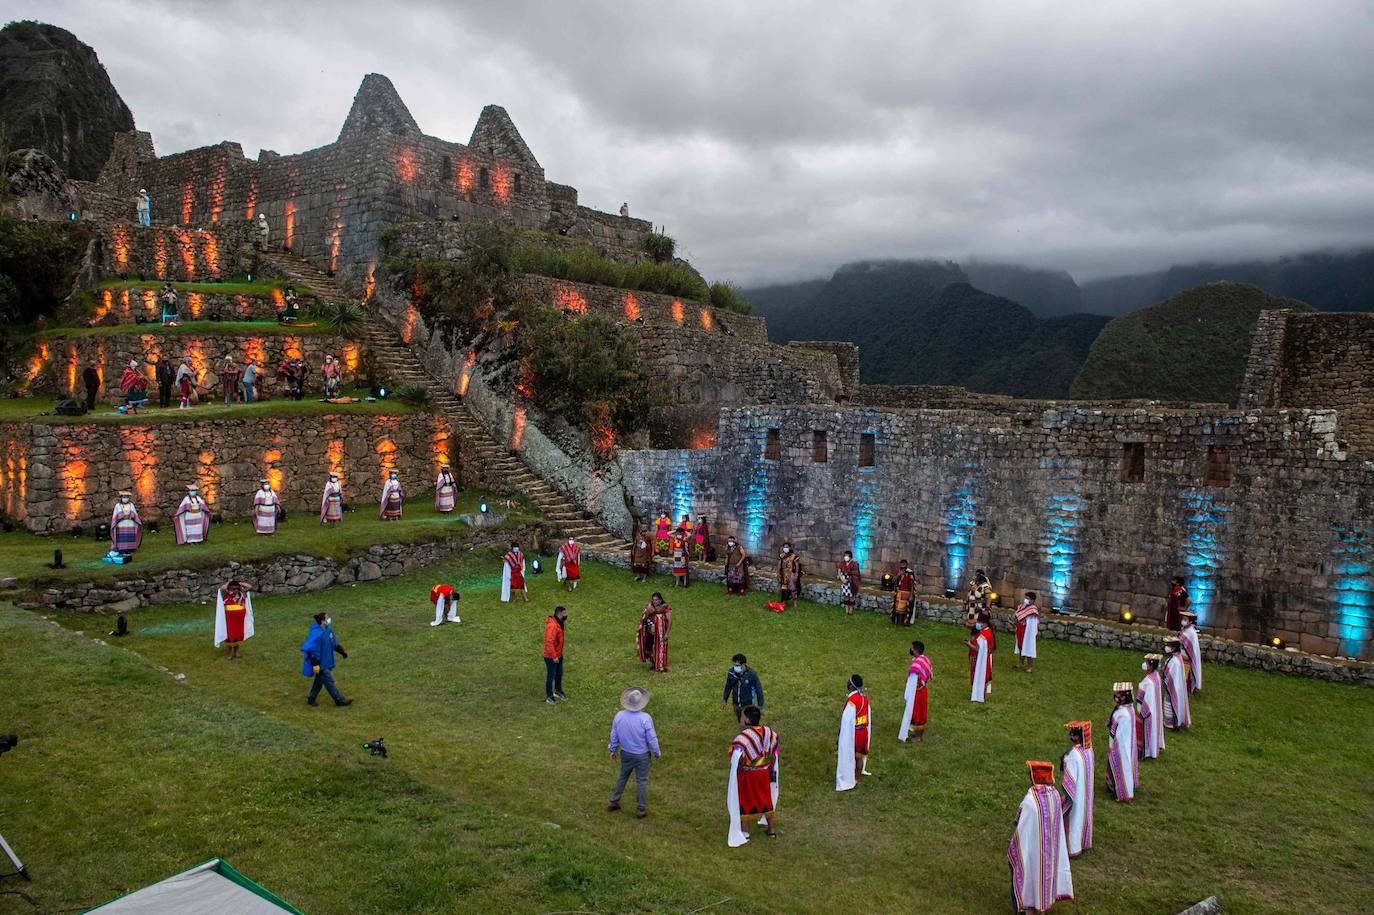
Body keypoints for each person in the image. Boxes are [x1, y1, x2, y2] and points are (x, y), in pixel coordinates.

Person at [1009, 761, 1074, 914]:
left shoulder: (1031, 800)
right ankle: (1041, 906)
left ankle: (1029, 907)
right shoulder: (1055, 796)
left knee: (1028, 872)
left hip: (1033, 848)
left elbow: (1020, 823)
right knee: (1043, 876)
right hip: (1049, 849)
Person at [727, 705, 779, 846]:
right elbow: (775, 752)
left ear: (748, 720)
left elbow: (733, 755)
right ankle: (771, 830)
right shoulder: (769, 733)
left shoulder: (742, 738)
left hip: (747, 776)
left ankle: (745, 832)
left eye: (743, 717)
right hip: (764, 773)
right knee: (766, 799)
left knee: (744, 802)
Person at [607, 686, 660, 818]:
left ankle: (614, 801)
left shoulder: (619, 716)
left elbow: (614, 734)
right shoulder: (645, 718)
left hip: (626, 753)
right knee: (642, 781)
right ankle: (641, 810)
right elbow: (652, 738)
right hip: (642, 756)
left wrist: (613, 749)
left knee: (622, 776)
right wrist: (657, 752)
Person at [300, 611, 351, 706]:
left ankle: (311, 698)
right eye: (327, 618)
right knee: (329, 681)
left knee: (319, 681)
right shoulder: (316, 633)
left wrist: (342, 651)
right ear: (323, 621)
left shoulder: (328, 630)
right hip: (320, 664)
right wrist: (315, 663)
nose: (329, 619)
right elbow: (309, 649)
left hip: (327, 661)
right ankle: (339, 700)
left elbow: (334, 643)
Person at [1061, 722, 1094, 858]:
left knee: (1073, 818)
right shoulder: (1089, 751)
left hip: (1076, 794)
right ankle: (1083, 842)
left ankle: (1072, 847)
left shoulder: (1073, 755)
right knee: (1083, 815)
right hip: (1085, 793)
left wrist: (1065, 797)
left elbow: (1070, 779)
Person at [835, 674, 871, 790]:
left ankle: (848, 778)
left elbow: (847, 721)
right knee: (859, 757)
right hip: (863, 732)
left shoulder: (852, 700)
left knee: (848, 754)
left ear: (851, 686)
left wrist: (842, 736)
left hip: (854, 733)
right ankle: (857, 778)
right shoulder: (864, 698)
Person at [1106, 683, 1139, 802]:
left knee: (1119, 767)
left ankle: (1119, 791)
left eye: (1119, 694)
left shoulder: (1123, 713)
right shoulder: (1128, 710)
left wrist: (1112, 746)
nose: (1116, 696)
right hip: (1124, 743)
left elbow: (1115, 732)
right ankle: (1112, 786)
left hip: (1120, 746)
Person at [899, 640, 932, 742]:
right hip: (923, 689)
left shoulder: (916, 666)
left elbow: (913, 681)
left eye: (912, 647)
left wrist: (908, 693)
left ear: (915, 650)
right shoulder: (925, 659)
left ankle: (919, 737)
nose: (910, 649)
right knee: (920, 712)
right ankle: (917, 734)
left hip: (917, 692)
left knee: (918, 714)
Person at [213, 580, 255, 660]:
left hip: (240, 621)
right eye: (233, 588)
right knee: (230, 638)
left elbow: (249, 586)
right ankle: (228, 654)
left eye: (236, 588)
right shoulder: (226, 594)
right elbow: (223, 588)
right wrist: (229, 583)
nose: (235, 590)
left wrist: (239, 584)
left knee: (238, 637)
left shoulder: (242, 594)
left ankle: (236, 653)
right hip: (230, 621)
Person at [1137, 654, 1165, 760]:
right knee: (1155, 728)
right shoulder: (1157, 676)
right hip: (1156, 710)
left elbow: (1143, 699)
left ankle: (1146, 749)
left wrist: (1141, 712)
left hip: (1148, 712)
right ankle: (1154, 746)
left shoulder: (1148, 682)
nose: (1145, 665)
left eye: (1147, 663)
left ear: (1151, 666)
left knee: (1145, 730)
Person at [721, 654, 764, 720]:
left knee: (745, 726)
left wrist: (760, 706)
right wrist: (724, 699)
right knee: (740, 720)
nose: (735, 667)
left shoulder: (752, 675)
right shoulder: (731, 673)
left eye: (737, 665)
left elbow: (759, 690)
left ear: (743, 665)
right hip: (736, 706)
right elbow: (728, 686)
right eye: (734, 665)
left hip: (748, 706)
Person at [1161, 637, 1192, 730]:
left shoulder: (1176, 661)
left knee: (1170, 704)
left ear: (1174, 647)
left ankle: (1171, 723)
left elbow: (1173, 676)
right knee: (1168, 704)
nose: (1167, 647)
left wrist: (1165, 679)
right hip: (1171, 686)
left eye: (1169, 646)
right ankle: (1168, 722)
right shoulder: (1175, 658)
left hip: (1172, 687)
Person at [636, 593, 672, 672]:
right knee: (648, 649)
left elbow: (669, 622)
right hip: (649, 633)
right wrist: (648, 612)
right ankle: (653, 664)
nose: (655, 601)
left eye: (657, 600)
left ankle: (660, 666)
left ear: (660, 600)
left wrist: (666, 633)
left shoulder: (665, 608)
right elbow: (644, 619)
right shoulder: (649, 607)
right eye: (653, 599)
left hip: (660, 634)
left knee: (659, 649)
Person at [966, 610, 995, 702]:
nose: (977, 623)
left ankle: (979, 697)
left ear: (984, 623)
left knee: (980, 676)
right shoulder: (988, 631)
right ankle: (982, 695)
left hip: (981, 660)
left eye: (978, 622)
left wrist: (968, 644)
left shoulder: (984, 635)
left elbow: (978, 649)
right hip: (986, 657)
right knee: (984, 676)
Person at [543, 606, 568, 704]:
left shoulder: (559, 623)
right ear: (559, 613)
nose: (566, 615)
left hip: (558, 654)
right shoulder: (552, 626)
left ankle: (558, 691)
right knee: (551, 676)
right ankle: (549, 696)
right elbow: (549, 642)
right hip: (551, 656)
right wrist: (554, 656)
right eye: (564, 613)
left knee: (559, 673)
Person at [1014, 591, 1040, 673]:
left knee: (1029, 648)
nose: (1025, 600)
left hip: (1028, 631)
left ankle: (1030, 666)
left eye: (1027, 598)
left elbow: (1033, 623)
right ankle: (1021, 663)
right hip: (1020, 629)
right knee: (1021, 646)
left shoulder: (1033, 610)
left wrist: (1033, 634)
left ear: (1032, 600)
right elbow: (1017, 616)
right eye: (1025, 598)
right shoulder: (1022, 606)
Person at [1179, 610, 1203, 694]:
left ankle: (1186, 688)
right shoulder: (1185, 629)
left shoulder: (1191, 632)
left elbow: (1190, 645)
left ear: (1189, 621)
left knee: (1185, 672)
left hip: (1187, 655)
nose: (1183, 621)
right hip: (1182, 654)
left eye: (1185, 619)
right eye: (1183, 619)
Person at [891, 559, 917, 625]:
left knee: (906, 609)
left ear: (907, 565)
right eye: (902, 563)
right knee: (898, 609)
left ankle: (905, 622)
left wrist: (911, 595)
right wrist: (898, 575)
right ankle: (897, 621)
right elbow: (893, 581)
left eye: (904, 564)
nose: (903, 565)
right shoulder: (898, 571)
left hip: (907, 593)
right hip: (899, 593)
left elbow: (912, 585)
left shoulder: (910, 572)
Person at [778, 542, 801, 608]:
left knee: (792, 588)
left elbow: (797, 566)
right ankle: (784, 601)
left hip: (791, 574)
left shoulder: (794, 556)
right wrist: (778, 572)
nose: (785, 548)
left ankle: (795, 603)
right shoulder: (782, 556)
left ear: (789, 548)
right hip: (784, 574)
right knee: (784, 589)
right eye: (784, 547)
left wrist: (796, 574)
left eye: (787, 547)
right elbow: (779, 564)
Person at [837, 550, 861, 616]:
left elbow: (856, 573)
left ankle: (851, 610)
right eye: (845, 556)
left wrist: (847, 580)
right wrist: (842, 579)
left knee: (851, 596)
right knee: (845, 596)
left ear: (850, 557)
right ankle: (846, 610)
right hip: (843, 582)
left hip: (851, 582)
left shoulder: (854, 563)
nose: (846, 557)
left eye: (847, 556)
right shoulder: (842, 563)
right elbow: (839, 571)